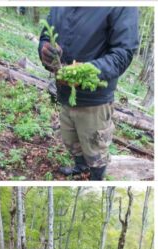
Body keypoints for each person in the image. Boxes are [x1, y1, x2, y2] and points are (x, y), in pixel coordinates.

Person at [39, 7, 139, 180]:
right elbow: (46, 35)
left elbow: (123, 52)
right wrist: (44, 49)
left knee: (95, 149)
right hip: (65, 93)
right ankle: (81, 167)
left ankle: (96, 179)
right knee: (71, 139)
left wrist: (84, 72)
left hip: (95, 100)